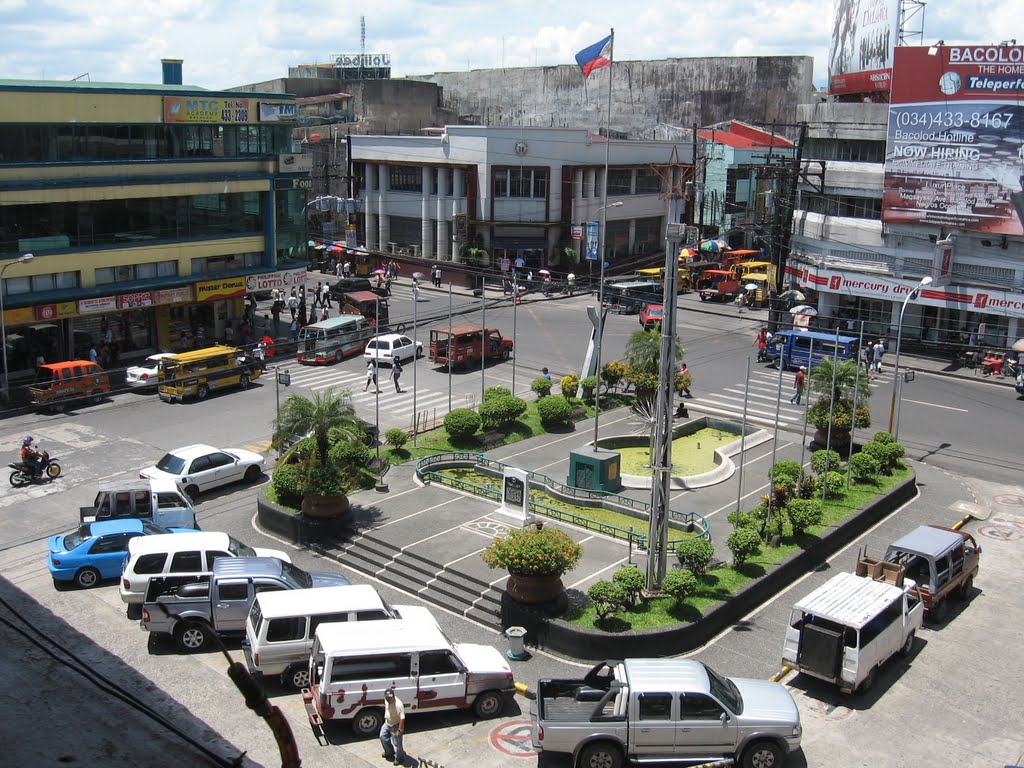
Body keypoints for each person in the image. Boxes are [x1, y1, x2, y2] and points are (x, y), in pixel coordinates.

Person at [379, 687, 406, 765]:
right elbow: (386, 707)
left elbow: (402, 718)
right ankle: (389, 752)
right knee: (382, 737)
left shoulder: (399, 704)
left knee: (397, 744)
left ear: (393, 696)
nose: (388, 699)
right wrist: (385, 714)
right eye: (387, 698)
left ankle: (399, 758)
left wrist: (399, 730)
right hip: (387, 723)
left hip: (396, 725)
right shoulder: (386, 700)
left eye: (390, 698)